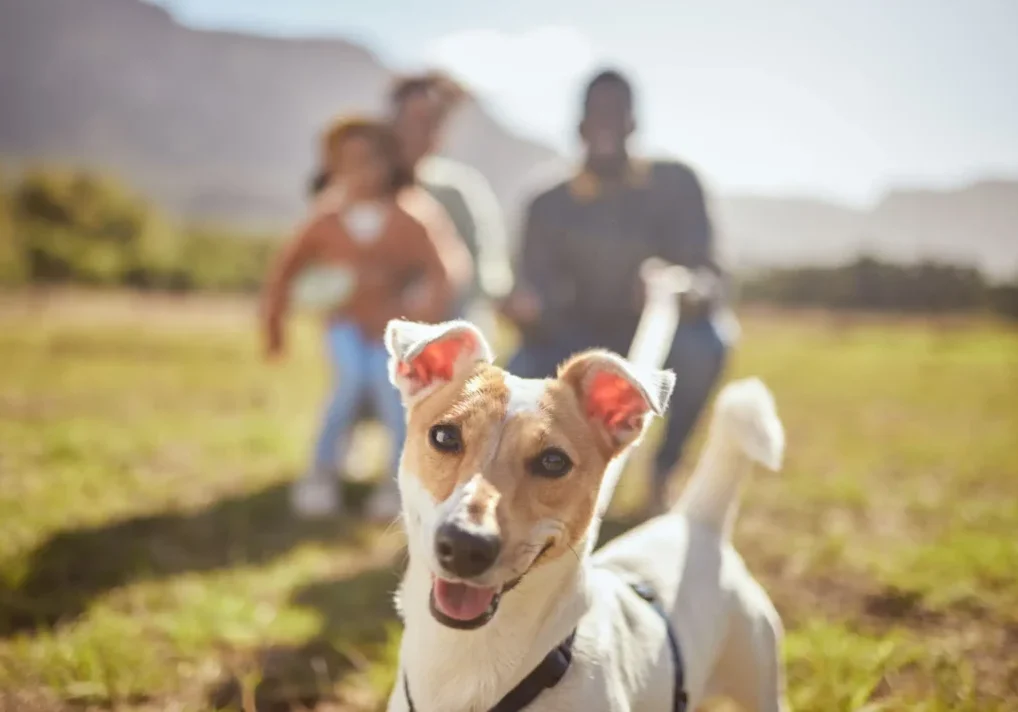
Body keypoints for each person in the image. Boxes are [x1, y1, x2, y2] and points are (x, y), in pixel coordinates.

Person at [501, 69, 737, 516]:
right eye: (596, 114)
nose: (605, 125)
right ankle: (526, 485)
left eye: (616, 113)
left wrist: (675, 284)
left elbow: (709, 276)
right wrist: (527, 305)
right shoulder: (547, 202)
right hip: (572, 339)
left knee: (708, 343)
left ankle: (662, 473)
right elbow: (532, 285)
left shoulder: (676, 185)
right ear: (579, 126)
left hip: (658, 336)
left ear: (633, 123)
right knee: (519, 372)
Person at [262, 117, 469, 520]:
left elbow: (446, 270)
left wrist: (420, 315)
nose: (360, 173)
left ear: (389, 163)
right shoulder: (326, 219)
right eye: (348, 162)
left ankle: (396, 484)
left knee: (393, 394)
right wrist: (274, 324)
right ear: (332, 167)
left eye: (370, 161)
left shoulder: (412, 214)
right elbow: (284, 271)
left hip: (393, 331)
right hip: (347, 326)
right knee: (350, 385)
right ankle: (322, 472)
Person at [388, 71, 511, 334]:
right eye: (412, 121)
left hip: (448, 322)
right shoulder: (366, 188)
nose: (418, 133)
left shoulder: (457, 191)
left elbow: (485, 274)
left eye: (430, 123)